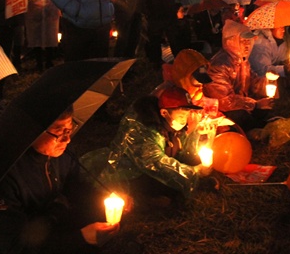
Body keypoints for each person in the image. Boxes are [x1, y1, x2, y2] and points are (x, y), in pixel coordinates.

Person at [0, 106, 120, 253]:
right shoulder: (7, 175)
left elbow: (75, 189)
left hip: (50, 220)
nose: (67, 139)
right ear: (32, 131)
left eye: (69, 128)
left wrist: (107, 201)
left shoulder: (63, 154)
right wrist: (80, 238)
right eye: (59, 131)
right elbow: (15, 246)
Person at [81, 86, 212, 207]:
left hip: (156, 168)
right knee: (166, 186)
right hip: (132, 172)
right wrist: (196, 172)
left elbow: (184, 154)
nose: (185, 119)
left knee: (180, 178)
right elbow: (156, 164)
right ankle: (143, 199)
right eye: (182, 115)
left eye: (188, 113)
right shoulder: (142, 130)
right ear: (164, 113)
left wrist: (194, 133)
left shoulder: (173, 126)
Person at [203, 20, 274, 131]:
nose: (247, 44)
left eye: (248, 40)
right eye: (242, 40)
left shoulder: (242, 61)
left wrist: (269, 81)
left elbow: (253, 82)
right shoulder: (220, 65)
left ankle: (257, 125)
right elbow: (224, 101)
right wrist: (255, 104)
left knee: (264, 104)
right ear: (231, 42)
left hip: (240, 104)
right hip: (221, 111)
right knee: (240, 115)